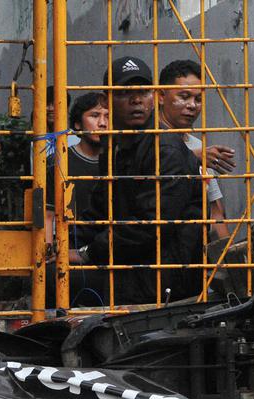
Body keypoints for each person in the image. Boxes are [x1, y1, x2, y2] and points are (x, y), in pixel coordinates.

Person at [70, 56, 205, 305]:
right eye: (125, 92)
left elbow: (151, 225)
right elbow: (100, 209)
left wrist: (88, 253)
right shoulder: (116, 146)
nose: (136, 100)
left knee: (65, 284)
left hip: (164, 278)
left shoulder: (165, 149)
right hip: (132, 268)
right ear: (106, 99)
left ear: (153, 96)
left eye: (143, 91)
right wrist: (63, 242)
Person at [43, 91, 109, 306]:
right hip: (69, 247)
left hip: (110, 247)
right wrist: (48, 248)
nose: (102, 123)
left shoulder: (119, 161)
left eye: (108, 116)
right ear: (78, 124)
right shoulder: (59, 161)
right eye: (95, 115)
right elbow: (47, 212)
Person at [157, 60, 234, 241]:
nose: (192, 105)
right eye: (184, 96)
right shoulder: (147, 138)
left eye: (198, 99)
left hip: (193, 252)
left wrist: (229, 261)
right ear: (161, 96)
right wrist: (192, 157)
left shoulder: (198, 145)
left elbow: (216, 212)